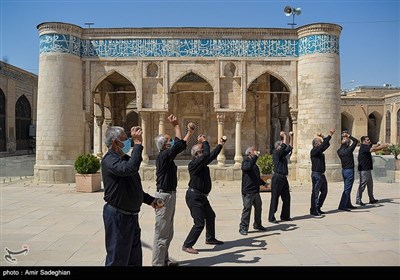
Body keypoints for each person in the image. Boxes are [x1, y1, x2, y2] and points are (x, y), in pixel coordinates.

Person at [102, 126, 160, 266]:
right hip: (118, 217)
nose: (128, 141)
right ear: (115, 142)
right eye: (124, 139)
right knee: (117, 259)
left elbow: (134, 187)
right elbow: (130, 168)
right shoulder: (109, 160)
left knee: (134, 258)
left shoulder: (124, 158)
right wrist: (138, 144)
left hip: (131, 217)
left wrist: (150, 200)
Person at [152, 115, 195, 267]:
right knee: (161, 232)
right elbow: (178, 145)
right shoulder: (163, 156)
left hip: (169, 194)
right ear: (164, 145)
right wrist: (176, 125)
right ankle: (157, 264)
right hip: (162, 196)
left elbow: (180, 145)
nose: (171, 142)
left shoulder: (167, 157)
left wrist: (189, 133)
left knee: (168, 231)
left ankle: (164, 259)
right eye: (169, 140)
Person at [182, 134, 226, 254]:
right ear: (197, 154)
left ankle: (210, 238)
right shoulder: (193, 164)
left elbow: (211, 155)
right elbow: (207, 154)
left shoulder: (201, 162)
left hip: (201, 197)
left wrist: (220, 144)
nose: (204, 152)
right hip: (194, 197)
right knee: (199, 223)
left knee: (210, 216)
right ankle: (187, 245)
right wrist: (205, 141)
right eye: (201, 150)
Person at [239, 146, 268, 235]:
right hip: (248, 191)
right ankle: (243, 227)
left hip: (255, 191)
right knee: (247, 209)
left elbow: (256, 177)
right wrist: (255, 157)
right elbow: (247, 168)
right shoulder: (246, 162)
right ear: (250, 153)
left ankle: (257, 224)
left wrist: (263, 183)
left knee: (258, 207)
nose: (256, 152)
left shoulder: (254, 164)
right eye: (254, 151)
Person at [356, 136, 389, 205]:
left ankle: (371, 198)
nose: (369, 141)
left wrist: (377, 144)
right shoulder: (363, 147)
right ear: (363, 142)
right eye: (367, 140)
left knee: (370, 184)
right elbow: (373, 150)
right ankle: (358, 199)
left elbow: (373, 146)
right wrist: (383, 146)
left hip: (368, 169)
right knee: (362, 185)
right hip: (364, 170)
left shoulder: (367, 146)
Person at [268, 131, 293, 223]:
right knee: (275, 198)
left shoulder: (282, 155)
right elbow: (283, 147)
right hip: (277, 177)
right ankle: (271, 217)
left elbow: (289, 147)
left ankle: (285, 216)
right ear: (277, 147)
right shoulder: (276, 153)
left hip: (283, 178)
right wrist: (284, 137)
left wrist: (291, 137)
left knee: (287, 197)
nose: (282, 147)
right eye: (280, 146)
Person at [310, 128, 335, 216]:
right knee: (315, 192)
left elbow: (326, 144)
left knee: (324, 191)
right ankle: (313, 210)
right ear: (316, 144)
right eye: (320, 142)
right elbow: (323, 145)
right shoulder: (314, 151)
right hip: (316, 174)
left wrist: (323, 137)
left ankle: (318, 207)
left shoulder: (319, 151)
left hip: (322, 174)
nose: (321, 144)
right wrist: (330, 135)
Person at [337, 132, 359, 211]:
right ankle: (342, 205)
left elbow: (343, 146)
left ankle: (348, 203)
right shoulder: (349, 150)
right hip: (349, 171)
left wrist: (344, 140)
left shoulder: (339, 151)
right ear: (347, 144)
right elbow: (356, 141)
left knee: (347, 187)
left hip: (344, 170)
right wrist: (349, 136)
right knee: (347, 189)